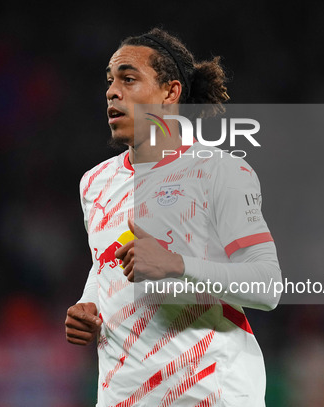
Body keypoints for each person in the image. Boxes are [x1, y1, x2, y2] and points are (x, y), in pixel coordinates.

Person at [65, 28, 282, 406]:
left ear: (170, 92)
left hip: (212, 394)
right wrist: (89, 305)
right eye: (110, 81)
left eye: (128, 79)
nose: (112, 91)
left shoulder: (219, 172)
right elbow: (105, 265)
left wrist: (176, 265)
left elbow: (267, 286)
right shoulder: (94, 184)